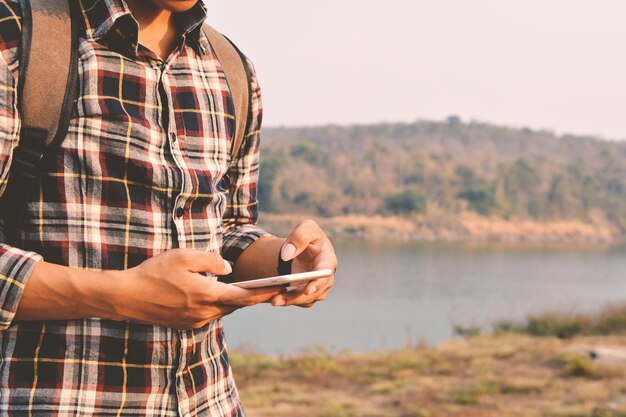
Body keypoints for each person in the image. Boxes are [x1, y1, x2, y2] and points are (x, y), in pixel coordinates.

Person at [0, 0, 337, 415]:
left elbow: (226, 232)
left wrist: (288, 262)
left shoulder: (232, 67)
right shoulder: (17, 34)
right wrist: (122, 295)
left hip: (208, 401)